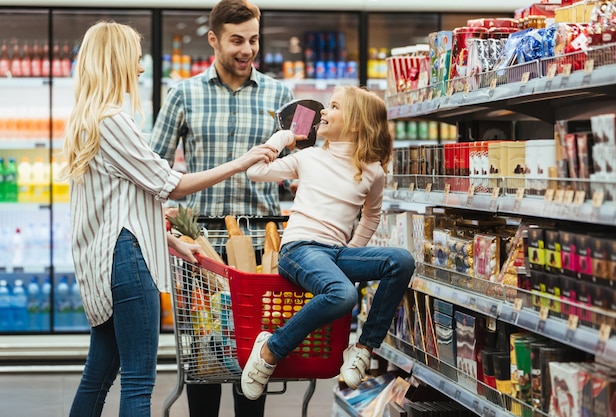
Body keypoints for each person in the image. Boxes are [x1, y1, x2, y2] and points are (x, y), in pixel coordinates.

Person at [61, 21, 278, 417]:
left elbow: (122, 201)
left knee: (99, 374)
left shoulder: (87, 121)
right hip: (126, 262)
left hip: (105, 260)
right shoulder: (114, 121)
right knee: (139, 381)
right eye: (135, 58)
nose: (141, 68)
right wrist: (242, 162)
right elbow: (170, 184)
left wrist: (173, 240)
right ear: (116, 61)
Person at [150, 0, 294, 415]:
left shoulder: (280, 95)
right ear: (213, 39)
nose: (247, 50)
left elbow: (299, 162)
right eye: (236, 41)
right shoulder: (183, 93)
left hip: (260, 242)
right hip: (200, 244)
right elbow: (154, 168)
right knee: (204, 355)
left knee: (255, 352)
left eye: (253, 40)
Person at [242, 85, 416, 400]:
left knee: (401, 261)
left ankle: (363, 348)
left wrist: (353, 251)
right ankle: (271, 349)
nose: (323, 111)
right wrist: (282, 139)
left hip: (336, 254)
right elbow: (255, 171)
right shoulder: (308, 158)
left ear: (355, 123)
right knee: (343, 294)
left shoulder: (372, 171)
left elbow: (371, 216)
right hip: (299, 249)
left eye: (333, 106)